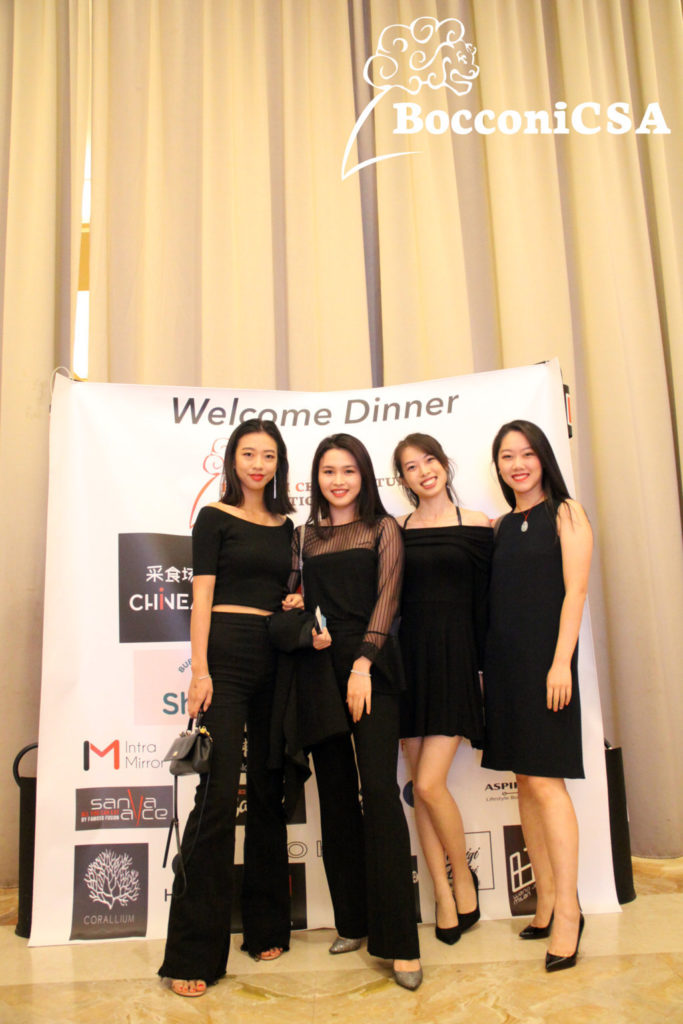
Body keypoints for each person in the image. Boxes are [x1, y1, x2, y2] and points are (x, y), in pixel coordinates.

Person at [159, 419, 295, 997]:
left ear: (279, 463)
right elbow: (203, 598)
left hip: (279, 658)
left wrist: (296, 601)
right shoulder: (213, 517)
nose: (258, 464)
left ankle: (266, 926)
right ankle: (192, 954)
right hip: (227, 656)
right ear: (233, 460)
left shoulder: (289, 526)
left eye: (268, 456)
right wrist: (201, 670)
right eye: (248, 454)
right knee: (216, 798)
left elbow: (291, 591)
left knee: (268, 790)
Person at [284, 433, 422, 990]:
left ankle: (401, 945)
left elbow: (388, 599)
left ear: (363, 475)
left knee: (381, 795)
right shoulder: (303, 537)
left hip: (372, 669)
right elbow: (291, 598)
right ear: (316, 479)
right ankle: (353, 921)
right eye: (328, 471)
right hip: (319, 672)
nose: (338, 480)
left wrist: (363, 663)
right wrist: (294, 604)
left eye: (348, 470)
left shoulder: (383, 529)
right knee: (336, 799)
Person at [482, 420, 593, 972]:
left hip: (548, 668)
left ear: (544, 458)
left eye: (527, 454)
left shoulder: (567, 513)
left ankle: (570, 911)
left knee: (547, 782)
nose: (518, 464)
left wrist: (560, 663)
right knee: (524, 781)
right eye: (507, 456)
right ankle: (544, 899)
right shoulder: (502, 525)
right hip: (505, 668)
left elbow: (576, 591)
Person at [392, 433, 492, 945]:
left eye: (429, 460)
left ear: (444, 464)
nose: (423, 471)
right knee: (418, 789)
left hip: (455, 661)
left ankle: (464, 880)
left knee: (430, 784)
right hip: (407, 663)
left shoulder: (479, 525)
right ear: (403, 479)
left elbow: (487, 607)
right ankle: (442, 896)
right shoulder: (397, 530)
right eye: (411, 466)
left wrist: (485, 672)